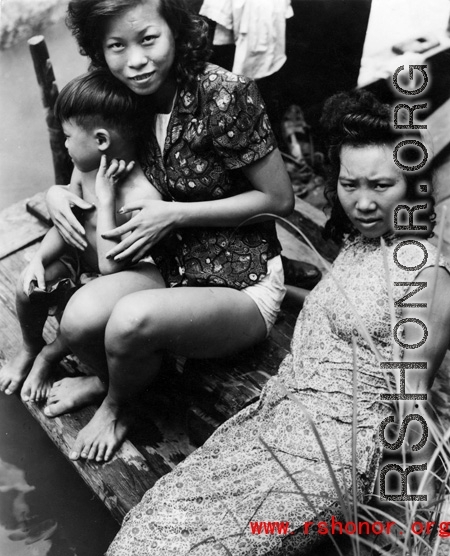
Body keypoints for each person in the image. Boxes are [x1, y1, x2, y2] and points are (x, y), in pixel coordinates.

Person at [105, 89, 450, 555]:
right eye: (351, 184)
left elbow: (412, 400)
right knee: (149, 525)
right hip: (275, 418)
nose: (363, 203)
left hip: (331, 454)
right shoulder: (362, 243)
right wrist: (276, 293)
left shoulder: (427, 273)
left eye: (381, 186)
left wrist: (422, 514)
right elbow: (352, 312)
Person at [43, 0, 295, 463]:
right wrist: (57, 194)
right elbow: (82, 151)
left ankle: (119, 406)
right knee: (79, 320)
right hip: (169, 266)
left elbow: (279, 201)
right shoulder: (124, 96)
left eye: (148, 39)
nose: (136, 60)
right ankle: (110, 377)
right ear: (100, 51)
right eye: (117, 46)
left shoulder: (224, 93)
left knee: (129, 321)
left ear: (176, 32)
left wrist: (175, 213)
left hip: (240, 281)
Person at [0, 69, 162, 403]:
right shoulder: (84, 168)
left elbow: (109, 266)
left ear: (101, 141)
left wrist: (106, 201)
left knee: (81, 321)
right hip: (82, 262)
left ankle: (97, 378)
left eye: (68, 137)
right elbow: (67, 225)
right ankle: (34, 349)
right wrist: (39, 261)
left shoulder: (143, 196)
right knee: (27, 287)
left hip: (123, 280)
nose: (64, 145)